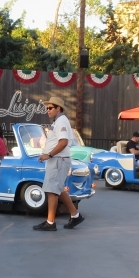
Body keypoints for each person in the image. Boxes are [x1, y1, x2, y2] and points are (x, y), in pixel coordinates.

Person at [33, 96, 84, 231]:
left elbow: (63, 142)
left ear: (58, 108)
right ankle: (75, 214)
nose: (47, 111)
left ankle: (50, 222)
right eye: (47, 108)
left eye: (50, 108)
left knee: (51, 191)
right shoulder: (59, 121)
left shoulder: (61, 121)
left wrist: (49, 154)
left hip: (57, 160)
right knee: (59, 189)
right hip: (58, 160)